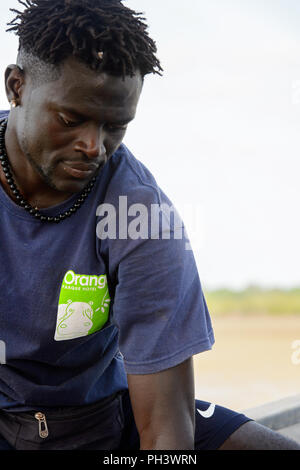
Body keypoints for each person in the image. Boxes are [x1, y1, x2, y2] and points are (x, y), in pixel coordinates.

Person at [0, 0, 298, 451]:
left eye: (115, 125)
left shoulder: (142, 218)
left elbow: (165, 433)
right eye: (71, 119)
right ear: (17, 86)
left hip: (106, 414)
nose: (93, 147)